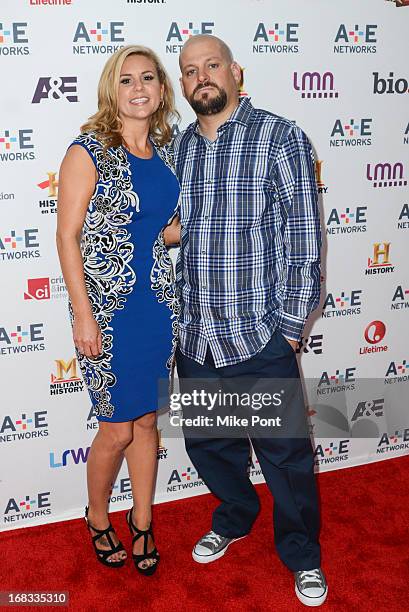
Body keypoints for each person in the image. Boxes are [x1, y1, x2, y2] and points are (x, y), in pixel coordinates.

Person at [172, 34, 327, 606]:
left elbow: (304, 239)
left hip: (259, 337)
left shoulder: (280, 136)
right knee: (210, 446)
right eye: (190, 71)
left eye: (211, 65)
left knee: (284, 456)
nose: (201, 77)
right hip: (197, 337)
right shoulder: (180, 149)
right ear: (183, 84)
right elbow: (174, 231)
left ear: (236, 71)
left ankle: (302, 555)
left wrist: (287, 330)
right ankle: (235, 516)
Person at [56, 45, 180, 575]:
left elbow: (157, 229)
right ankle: (98, 516)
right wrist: (83, 314)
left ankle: (144, 521)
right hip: (107, 309)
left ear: (160, 89)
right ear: (113, 89)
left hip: (158, 305)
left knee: (148, 420)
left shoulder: (167, 152)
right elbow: (67, 236)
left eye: (147, 78)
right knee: (117, 428)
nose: (138, 88)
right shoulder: (88, 151)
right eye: (126, 79)